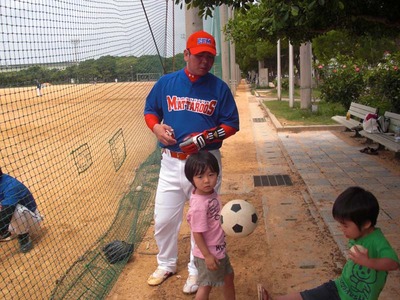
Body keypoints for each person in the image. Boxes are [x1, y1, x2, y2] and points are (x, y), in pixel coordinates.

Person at [144, 30, 239, 294]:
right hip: (172, 162)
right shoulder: (166, 83)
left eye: (209, 57)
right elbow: (151, 111)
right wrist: (156, 129)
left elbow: (232, 124)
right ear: (186, 54)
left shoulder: (219, 88)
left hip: (205, 166)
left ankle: (197, 270)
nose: (205, 61)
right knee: (164, 218)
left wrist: (206, 136)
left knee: (206, 222)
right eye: (199, 56)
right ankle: (166, 263)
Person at [258, 186, 399, 300]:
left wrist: (368, 262)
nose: (341, 229)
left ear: (366, 223)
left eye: (345, 225)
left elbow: (393, 263)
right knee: (309, 295)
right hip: (339, 286)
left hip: (357, 297)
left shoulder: (378, 241)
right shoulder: (357, 235)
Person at [184, 151, 235, 300]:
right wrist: (207, 256)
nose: (206, 180)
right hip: (208, 254)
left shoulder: (210, 194)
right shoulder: (199, 205)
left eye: (211, 174)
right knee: (206, 286)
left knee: (229, 278)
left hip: (219, 250)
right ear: (191, 179)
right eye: (200, 177)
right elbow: (197, 233)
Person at [0, 167, 43, 253]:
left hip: (31, 221)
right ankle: (7, 232)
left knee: (15, 209)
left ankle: (24, 238)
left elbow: (7, 213)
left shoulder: (10, 185)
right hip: (11, 222)